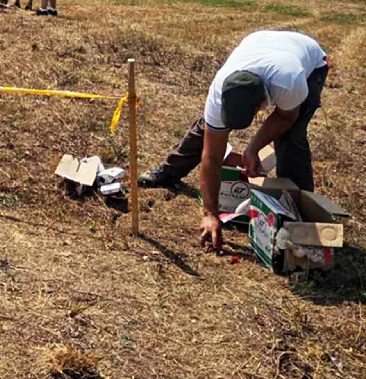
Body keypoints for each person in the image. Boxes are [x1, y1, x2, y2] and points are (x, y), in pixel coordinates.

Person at [137, 30, 329, 253]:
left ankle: (298, 216)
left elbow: (286, 117)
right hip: (261, 44)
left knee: (290, 138)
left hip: (311, 61)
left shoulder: (290, 83)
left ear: (261, 102)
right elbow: (212, 157)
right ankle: (168, 172)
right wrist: (210, 214)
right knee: (209, 128)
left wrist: (253, 148)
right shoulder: (218, 94)